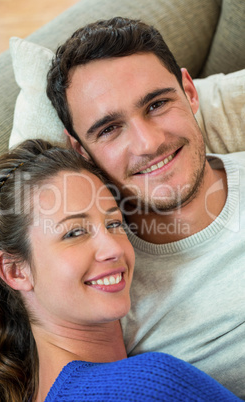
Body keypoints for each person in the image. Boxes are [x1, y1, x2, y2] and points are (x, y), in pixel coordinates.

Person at [46, 17, 245, 399]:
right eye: (109, 129)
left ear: (189, 92)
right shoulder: (105, 286)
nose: (148, 143)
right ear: (80, 151)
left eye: (157, 104)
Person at [0, 139, 241, 402]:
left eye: (114, 223)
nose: (113, 248)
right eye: (74, 232)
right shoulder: (150, 384)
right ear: (15, 271)